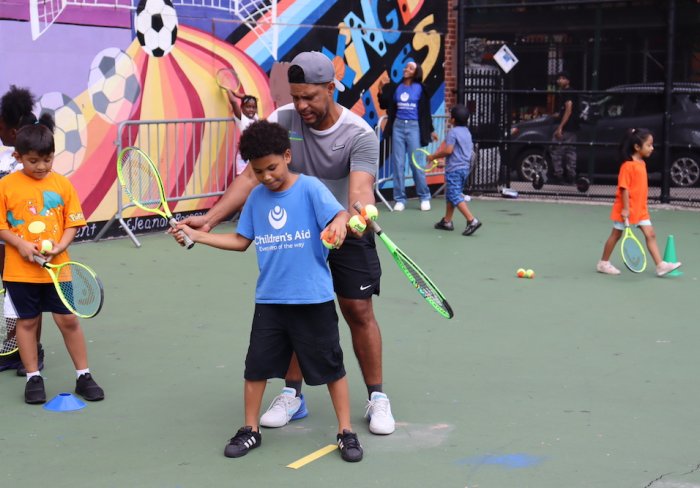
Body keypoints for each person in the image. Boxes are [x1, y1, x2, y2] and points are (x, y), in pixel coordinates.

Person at [180, 51, 396, 435]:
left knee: (357, 310)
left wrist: (353, 219)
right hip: (294, 230)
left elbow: (359, 191)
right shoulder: (283, 119)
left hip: (340, 224)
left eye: (310, 96)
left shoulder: (358, 133)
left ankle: (377, 398)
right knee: (294, 305)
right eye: (296, 96)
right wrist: (210, 219)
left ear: (331, 88)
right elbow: (250, 177)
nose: (301, 105)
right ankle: (292, 396)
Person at [173, 120, 363, 462]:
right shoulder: (257, 198)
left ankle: (346, 432)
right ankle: (250, 430)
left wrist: (337, 225)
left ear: (287, 156)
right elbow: (241, 241)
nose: (266, 177)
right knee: (256, 367)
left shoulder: (309, 189)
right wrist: (198, 235)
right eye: (258, 171)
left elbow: (339, 216)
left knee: (332, 367)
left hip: (313, 299)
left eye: (272, 168)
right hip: (271, 300)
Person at [0, 114, 104, 404]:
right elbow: (1, 227)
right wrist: (20, 244)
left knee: (68, 320)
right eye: (33, 161)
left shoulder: (62, 185)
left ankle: (83, 375)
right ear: (18, 156)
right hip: (20, 272)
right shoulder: (6, 186)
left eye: (47, 160)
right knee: (27, 323)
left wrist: (59, 247)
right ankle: (34, 377)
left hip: (59, 270)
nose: (41, 167)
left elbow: (72, 223)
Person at [0, 85, 46, 374]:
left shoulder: (30, 162)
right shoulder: (8, 157)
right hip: (5, 238)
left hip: (27, 241)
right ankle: (13, 347)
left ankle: (34, 351)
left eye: (1, 127)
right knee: (10, 293)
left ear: (14, 131)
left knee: (27, 295)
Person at [596, 128, 682, 277]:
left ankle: (661, 266)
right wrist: (626, 210)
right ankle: (603, 263)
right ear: (637, 147)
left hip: (640, 209)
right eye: (649, 145)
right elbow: (624, 189)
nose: (652, 148)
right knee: (616, 235)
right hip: (626, 210)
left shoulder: (641, 163)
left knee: (651, 234)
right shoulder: (627, 166)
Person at [378, 61, 438, 211]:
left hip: (414, 126)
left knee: (416, 163)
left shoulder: (420, 89)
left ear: (416, 72)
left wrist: (430, 129)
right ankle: (400, 199)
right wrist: (380, 89)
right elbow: (385, 104)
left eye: (410, 68)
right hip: (398, 126)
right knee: (398, 164)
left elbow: (425, 112)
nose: (406, 69)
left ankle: (424, 197)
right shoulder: (397, 87)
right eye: (406, 67)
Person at [430, 105, 482, 236]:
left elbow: (448, 150)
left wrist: (433, 156)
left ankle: (472, 220)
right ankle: (447, 221)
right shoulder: (467, 132)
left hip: (455, 170)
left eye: (449, 116)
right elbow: (460, 153)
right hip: (464, 168)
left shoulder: (452, 133)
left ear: (453, 120)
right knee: (451, 195)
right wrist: (445, 163)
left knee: (454, 195)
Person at [550, 71, 579, 184]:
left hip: (567, 127)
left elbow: (569, 109)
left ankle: (559, 175)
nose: (559, 80)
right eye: (558, 78)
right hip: (573, 127)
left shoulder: (567, 92)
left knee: (556, 149)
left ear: (567, 80)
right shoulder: (570, 92)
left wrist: (560, 127)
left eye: (562, 78)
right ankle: (571, 175)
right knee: (570, 151)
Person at [226, 91, 259, 175]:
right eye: (248, 107)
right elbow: (233, 101)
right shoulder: (241, 118)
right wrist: (228, 90)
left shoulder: (255, 117)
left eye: (254, 107)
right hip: (245, 157)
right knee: (243, 179)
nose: (251, 109)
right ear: (242, 107)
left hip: (255, 155)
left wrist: (239, 95)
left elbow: (255, 99)